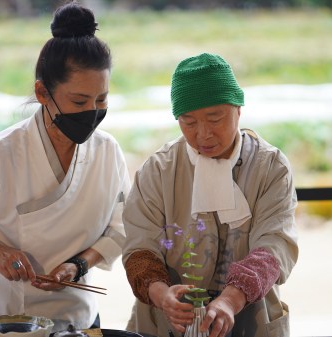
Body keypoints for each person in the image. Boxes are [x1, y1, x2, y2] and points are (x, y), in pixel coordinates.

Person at [0, 1, 130, 331]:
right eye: (79, 101)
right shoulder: (1, 154)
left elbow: (121, 228)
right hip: (7, 317)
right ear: (42, 93)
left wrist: (78, 265)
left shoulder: (108, 152)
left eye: (101, 100)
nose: (92, 111)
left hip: (78, 315)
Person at [122, 53, 299, 337]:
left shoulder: (270, 167)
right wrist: (162, 295)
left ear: (238, 109)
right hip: (168, 321)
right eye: (188, 122)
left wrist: (230, 300)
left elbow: (275, 245)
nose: (203, 134)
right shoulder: (158, 170)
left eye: (215, 118)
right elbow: (139, 248)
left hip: (250, 317)